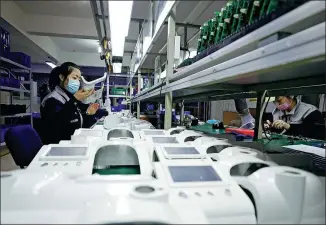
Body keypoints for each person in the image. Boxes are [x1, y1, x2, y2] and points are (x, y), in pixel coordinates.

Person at [40, 62, 99, 144]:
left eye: (79, 79)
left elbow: (77, 124)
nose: (77, 83)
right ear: (62, 77)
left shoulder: (68, 97)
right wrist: (75, 99)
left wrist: (89, 113)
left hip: (71, 143)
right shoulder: (51, 99)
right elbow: (56, 125)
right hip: (58, 149)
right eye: (74, 78)